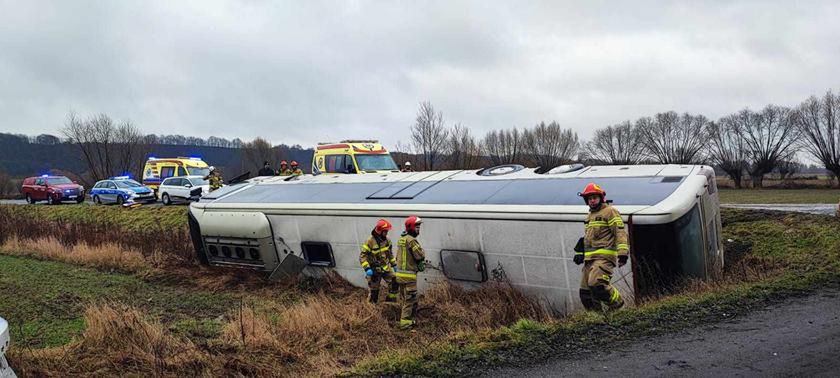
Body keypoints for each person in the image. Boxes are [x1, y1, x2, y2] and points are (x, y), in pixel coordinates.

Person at [574, 183, 629, 311]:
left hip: (604, 258)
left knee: (598, 285)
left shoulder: (610, 211)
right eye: (589, 198)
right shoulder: (590, 216)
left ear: (601, 198)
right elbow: (588, 238)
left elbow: (620, 232)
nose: (592, 201)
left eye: (594, 197)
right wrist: (580, 253)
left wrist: (622, 253)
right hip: (589, 260)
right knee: (585, 294)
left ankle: (618, 305)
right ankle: (597, 318)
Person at [395, 215, 426, 329]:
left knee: (404, 298)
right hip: (409, 277)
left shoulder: (402, 239)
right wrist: (421, 261)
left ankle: (408, 318)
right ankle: (405, 323)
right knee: (410, 299)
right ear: (410, 227)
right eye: (417, 227)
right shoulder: (412, 240)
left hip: (400, 276)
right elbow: (419, 255)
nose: (418, 230)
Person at [359, 219, 399, 303]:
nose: (387, 233)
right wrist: (367, 268)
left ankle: (390, 302)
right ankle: (372, 307)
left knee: (394, 282)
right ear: (380, 231)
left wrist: (394, 264)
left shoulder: (387, 240)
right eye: (385, 231)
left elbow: (390, 254)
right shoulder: (370, 241)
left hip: (385, 268)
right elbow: (362, 257)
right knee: (374, 292)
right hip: (374, 270)